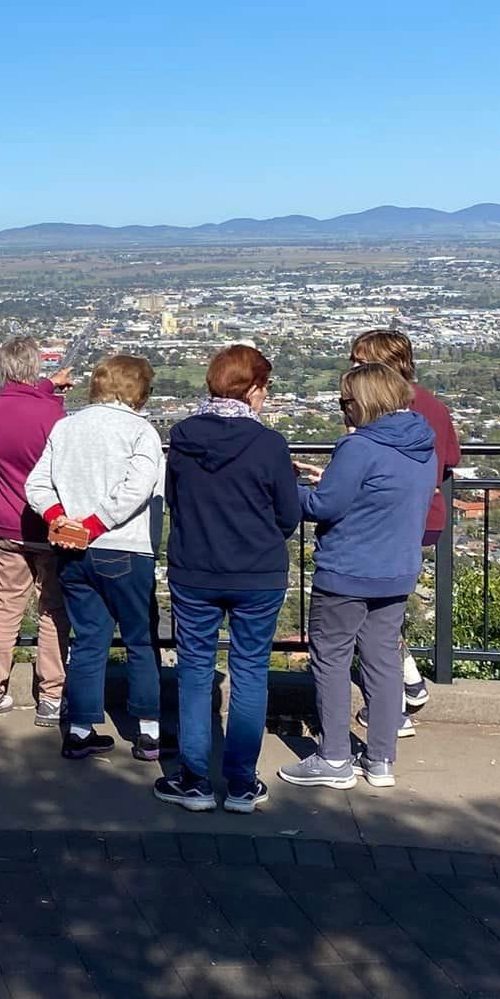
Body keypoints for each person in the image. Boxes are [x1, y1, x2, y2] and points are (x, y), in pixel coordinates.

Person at [157, 344, 300, 814]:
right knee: (250, 672)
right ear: (254, 388)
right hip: (257, 571)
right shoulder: (269, 444)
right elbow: (287, 514)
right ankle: (240, 783)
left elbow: (174, 500)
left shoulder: (182, 436)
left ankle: (194, 780)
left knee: (195, 673)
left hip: (194, 568)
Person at [278, 363, 435, 791]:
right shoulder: (423, 445)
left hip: (348, 570)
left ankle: (333, 758)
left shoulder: (360, 447)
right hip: (396, 571)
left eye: (344, 401)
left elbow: (323, 508)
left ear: (362, 401)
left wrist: (284, 487)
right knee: (383, 663)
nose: (342, 410)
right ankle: (381, 758)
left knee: (330, 659)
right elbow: (381, 494)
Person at [25, 354, 164, 762]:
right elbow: (138, 488)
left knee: (87, 641)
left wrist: (61, 520)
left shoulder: (65, 428)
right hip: (124, 546)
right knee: (140, 640)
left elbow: (37, 483)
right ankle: (149, 733)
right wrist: (94, 524)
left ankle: (81, 730)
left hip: (73, 551)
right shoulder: (141, 432)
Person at [347, 329, 462, 735]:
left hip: (386, 520)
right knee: (384, 611)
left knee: (370, 613)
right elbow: (447, 462)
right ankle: (408, 685)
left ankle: (392, 708)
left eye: (360, 362)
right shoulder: (433, 405)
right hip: (426, 516)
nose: (353, 370)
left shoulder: (379, 409)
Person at [0, 336, 75, 726]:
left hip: (5, 521)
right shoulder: (54, 417)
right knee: (51, 609)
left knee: (6, 605)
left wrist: (49, 385)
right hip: (47, 522)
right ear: (35, 367)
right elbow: (44, 420)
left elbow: (18, 402)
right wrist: (50, 391)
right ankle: (51, 696)